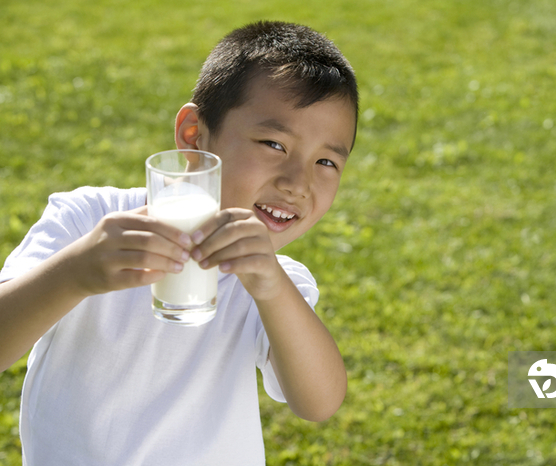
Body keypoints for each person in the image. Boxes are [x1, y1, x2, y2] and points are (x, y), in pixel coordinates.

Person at [0, 20, 358, 465]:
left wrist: (271, 288)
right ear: (194, 136)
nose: (297, 183)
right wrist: (78, 273)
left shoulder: (275, 283)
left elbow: (318, 403)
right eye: (274, 143)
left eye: (326, 161)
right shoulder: (88, 221)